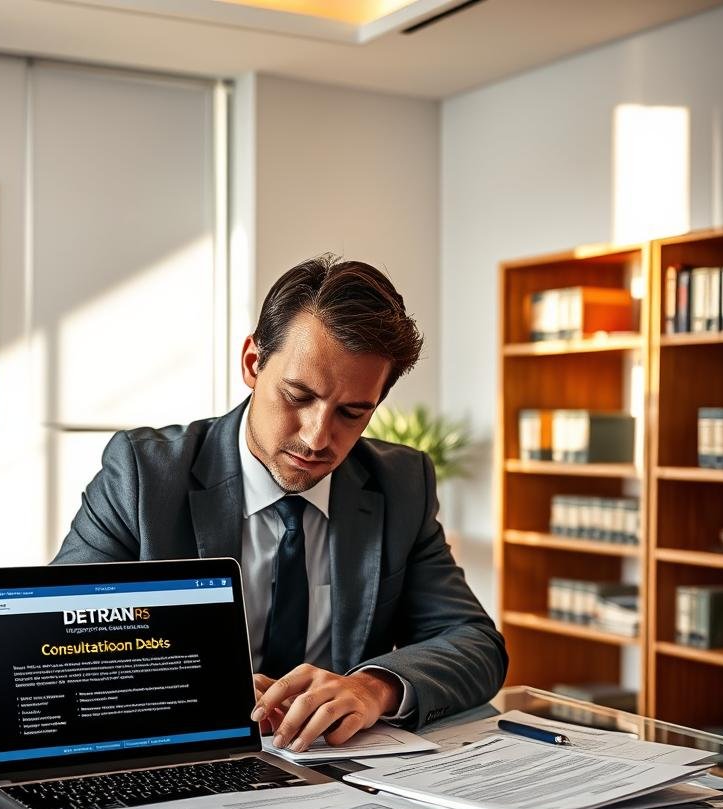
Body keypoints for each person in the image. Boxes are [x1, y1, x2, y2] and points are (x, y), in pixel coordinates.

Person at [53, 254, 506, 750]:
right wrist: (190, 690)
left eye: (352, 413)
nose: (317, 439)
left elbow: (474, 642)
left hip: (335, 768)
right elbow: (56, 645)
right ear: (252, 363)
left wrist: (372, 687)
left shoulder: (401, 483)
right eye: (297, 396)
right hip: (182, 759)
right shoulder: (144, 476)